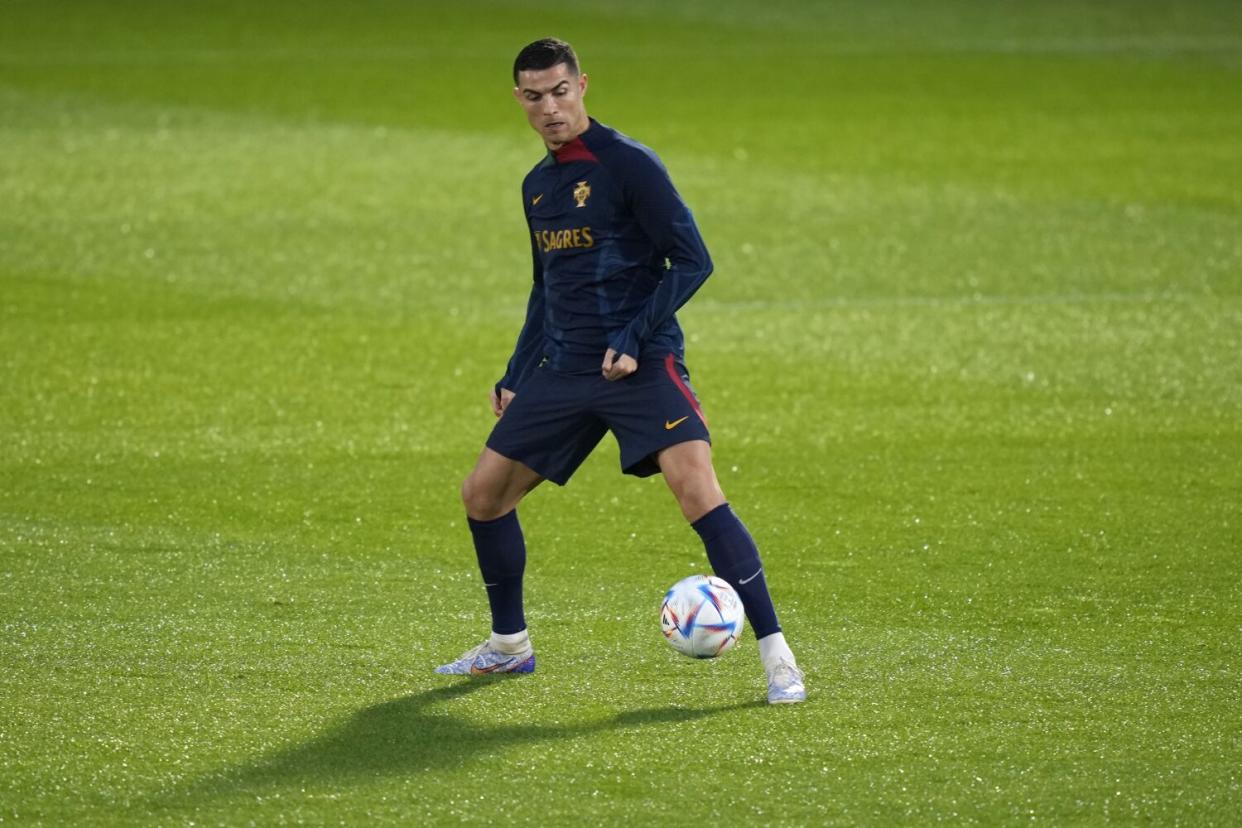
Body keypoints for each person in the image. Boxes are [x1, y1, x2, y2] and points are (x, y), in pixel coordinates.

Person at [435, 38, 805, 704]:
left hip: (641, 363)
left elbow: (691, 258)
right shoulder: (538, 186)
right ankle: (509, 647)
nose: (550, 108)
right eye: (534, 96)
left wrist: (635, 336)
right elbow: (544, 287)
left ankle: (779, 658)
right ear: (519, 100)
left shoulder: (629, 165)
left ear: (582, 86)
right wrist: (517, 369)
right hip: (566, 367)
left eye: (560, 91)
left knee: (697, 490)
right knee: (482, 496)